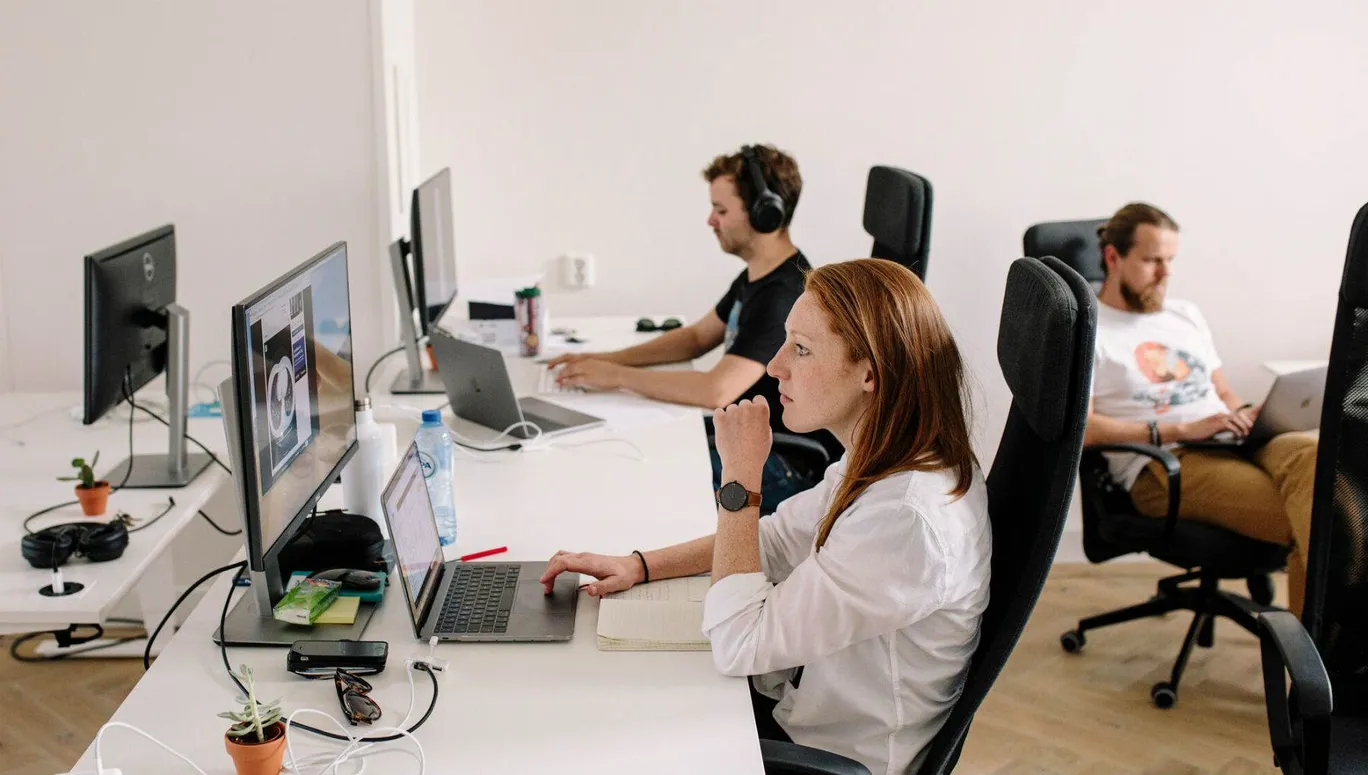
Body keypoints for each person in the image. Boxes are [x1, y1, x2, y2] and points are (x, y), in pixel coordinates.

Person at [540, 258, 991, 775]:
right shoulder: (886, 455)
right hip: (797, 705)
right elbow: (775, 541)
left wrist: (741, 478)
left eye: (801, 349)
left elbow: (739, 645)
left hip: (827, 757)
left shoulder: (907, 518)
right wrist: (639, 565)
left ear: (869, 373)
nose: (775, 366)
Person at [546, 143, 840, 513]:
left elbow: (716, 390)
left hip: (778, 460)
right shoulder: (759, 275)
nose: (711, 221)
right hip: (745, 437)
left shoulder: (782, 296)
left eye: (721, 210)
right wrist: (605, 359)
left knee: (638, 474)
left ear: (765, 213)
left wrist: (616, 376)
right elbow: (697, 337)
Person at [1084, 202, 1318, 615]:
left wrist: (1249, 414)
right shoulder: (1088, 329)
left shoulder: (1184, 314)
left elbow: (1223, 392)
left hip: (1231, 439)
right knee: (1318, 523)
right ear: (1113, 257)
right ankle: (1318, 652)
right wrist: (1178, 430)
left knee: (1321, 459)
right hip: (1163, 463)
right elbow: (1080, 430)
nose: (1166, 273)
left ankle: (1324, 645)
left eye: (1170, 260)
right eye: (1152, 261)